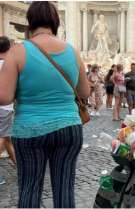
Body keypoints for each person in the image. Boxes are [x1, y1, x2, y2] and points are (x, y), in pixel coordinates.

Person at [0, 2, 90, 207]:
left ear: (30, 21)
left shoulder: (18, 52)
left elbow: (3, 97)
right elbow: (85, 92)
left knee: (30, 188)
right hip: (68, 127)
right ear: (55, 22)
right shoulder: (72, 51)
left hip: (30, 129)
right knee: (64, 188)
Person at [0, 36, 16, 186]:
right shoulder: (9, 65)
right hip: (5, 108)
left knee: (8, 138)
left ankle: (18, 166)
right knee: (4, 138)